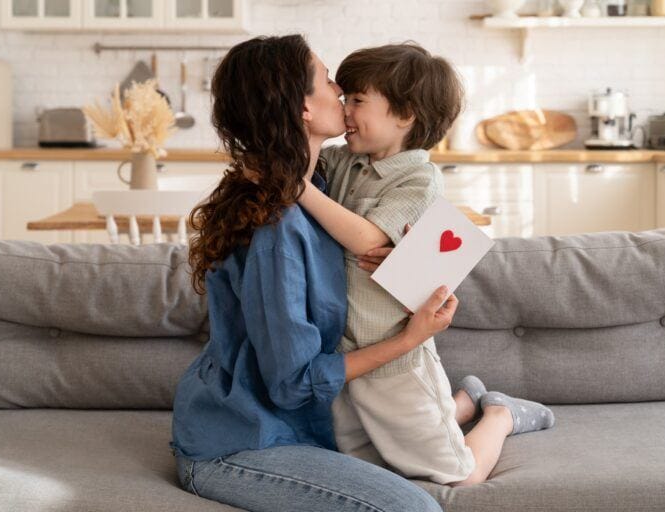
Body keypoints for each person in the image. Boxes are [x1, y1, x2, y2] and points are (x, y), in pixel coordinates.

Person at [170, 35, 456, 512]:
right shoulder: (277, 227)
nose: (340, 89)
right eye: (327, 80)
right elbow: (293, 384)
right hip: (241, 441)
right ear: (302, 108)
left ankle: (476, 408)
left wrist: (415, 264)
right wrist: (408, 341)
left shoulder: (326, 186)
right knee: (414, 508)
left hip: (300, 426)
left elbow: (398, 209)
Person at [296, 43, 555, 486]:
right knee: (376, 463)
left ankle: (499, 414)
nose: (345, 108)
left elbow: (367, 237)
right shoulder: (346, 162)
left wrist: (297, 188)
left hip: (396, 362)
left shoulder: (417, 178)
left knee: (459, 476)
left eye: (358, 100)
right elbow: (303, 151)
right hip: (348, 357)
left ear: (405, 114)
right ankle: (464, 403)